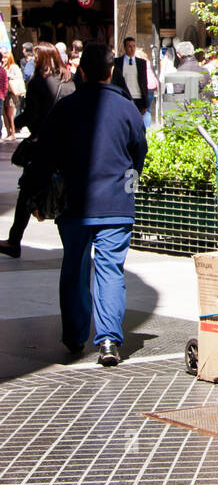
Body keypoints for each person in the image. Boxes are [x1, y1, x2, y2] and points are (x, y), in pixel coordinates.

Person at [35, 42, 147, 365]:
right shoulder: (127, 108)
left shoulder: (65, 108)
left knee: (74, 266)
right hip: (116, 202)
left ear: (81, 72)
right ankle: (109, 339)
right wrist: (130, 179)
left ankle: (74, 335)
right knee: (110, 268)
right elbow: (139, 150)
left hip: (74, 204)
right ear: (111, 72)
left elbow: (45, 154)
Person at [0, 44, 75, 257]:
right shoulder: (69, 80)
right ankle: (71, 245)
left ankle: (14, 241)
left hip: (43, 148)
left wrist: (17, 122)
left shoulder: (38, 82)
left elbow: (33, 116)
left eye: (35, 56)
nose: (32, 59)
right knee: (64, 195)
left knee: (27, 193)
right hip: (66, 148)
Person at [111, 36, 148, 116]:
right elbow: (115, 81)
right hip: (124, 97)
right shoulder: (117, 62)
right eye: (129, 46)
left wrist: (145, 103)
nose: (132, 49)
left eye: (134, 46)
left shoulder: (141, 63)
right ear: (125, 48)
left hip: (138, 98)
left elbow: (144, 83)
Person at [3, 51, 24, 140]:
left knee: (10, 114)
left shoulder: (14, 67)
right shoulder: (3, 67)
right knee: (4, 114)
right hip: (4, 93)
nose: (4, 59)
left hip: (11, 93)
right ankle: (8, 132)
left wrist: (8, 75)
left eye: (6, 57)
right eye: (3, 58)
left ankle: (13, 133)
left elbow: (19, 77)